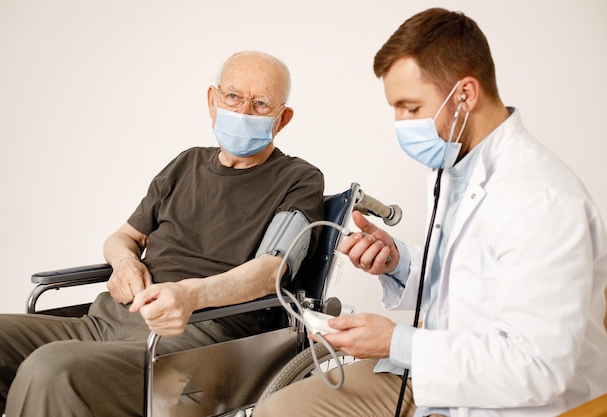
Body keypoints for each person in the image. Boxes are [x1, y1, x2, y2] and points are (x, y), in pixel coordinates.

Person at [253, 8, 607, 417]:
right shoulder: (458, 167)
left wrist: (394, 342)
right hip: (443, 370)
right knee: (279, 411)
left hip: (517, 398)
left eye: (410, 107)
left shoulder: (541, 198)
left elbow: (538, 368)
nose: (401, 124)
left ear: (465, 95)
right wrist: (397, 262)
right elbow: (475, 280)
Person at [0, 50, 324, 417]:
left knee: (50, 369)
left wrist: (190, 295)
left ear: (282, 118)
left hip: (194, 343)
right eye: (233, 97)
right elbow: (122, 238)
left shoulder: (299, 180)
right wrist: (125, 263)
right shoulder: (185, 164)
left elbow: (271, 270)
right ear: (213, 100)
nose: (242, 111)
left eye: (260, 104)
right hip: (104, 323)